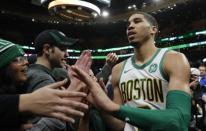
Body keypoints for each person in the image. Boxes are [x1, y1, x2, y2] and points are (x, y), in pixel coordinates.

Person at [70, 12, 192, 131]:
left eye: (137, 21)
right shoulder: (118, 69)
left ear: (153, 30)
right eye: (128, 24)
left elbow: (179, 120)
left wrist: (112, 106)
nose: (130, 26)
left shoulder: (173, 59)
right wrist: (101, 106)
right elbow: (120, 125)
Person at [0, 39, 88, 130]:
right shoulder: (42, 78)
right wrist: (61, 112)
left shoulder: (15, 89)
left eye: (24, 58)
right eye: (17, 59)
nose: (26, 62)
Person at [25, 29, 91, 131]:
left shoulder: (35, 73)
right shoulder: (43, 80)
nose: (67, 55)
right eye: (63, 49)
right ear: (47, 49)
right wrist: (75, 85)